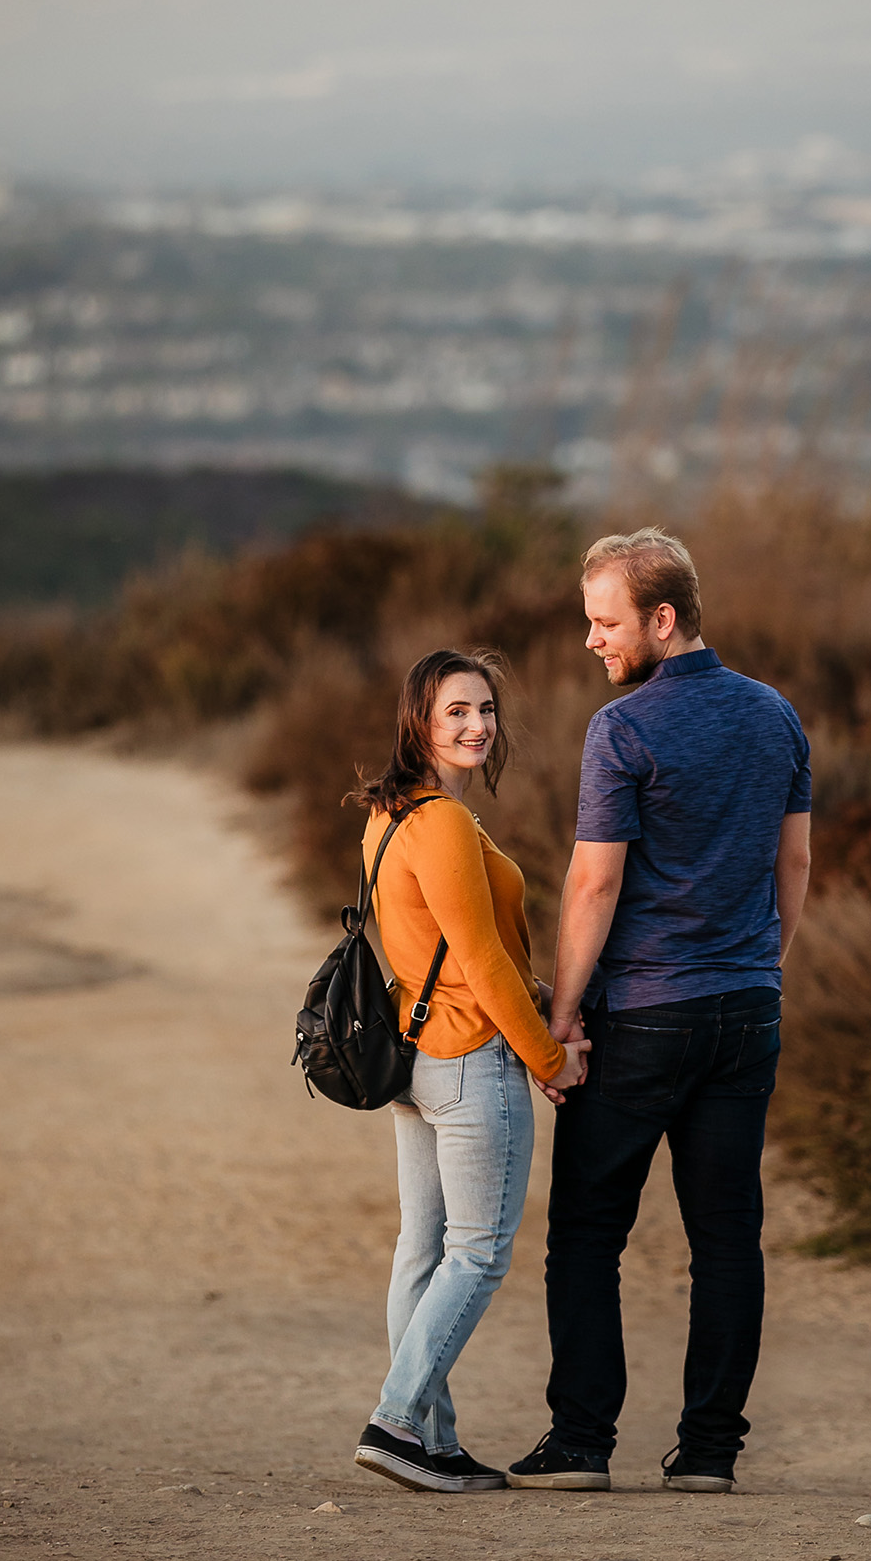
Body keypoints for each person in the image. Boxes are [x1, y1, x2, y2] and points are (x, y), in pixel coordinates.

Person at [506, 528, 812, 1496]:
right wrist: (764, 966)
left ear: (662, 619)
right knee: (727, 1238)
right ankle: (711, 1453)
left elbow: (593, 887)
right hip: (744, 1011)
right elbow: (793, 864)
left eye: (606, 623)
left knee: (588, 1233)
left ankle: (582, 1442)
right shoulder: (776, 716)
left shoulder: (624, 729)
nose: (593, 642)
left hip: (643, 1014)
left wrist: (564, 1016)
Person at [348, 649, 589, 1493]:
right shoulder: (443, 823)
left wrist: (544, 1000)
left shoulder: (392, 814)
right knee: (478, 1254)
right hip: (468, 1060)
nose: (478, 725)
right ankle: (398, 1420)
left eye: (485, 709)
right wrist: (548, 1058)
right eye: (456, 711)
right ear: (419, 719)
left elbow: (452, 949)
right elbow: (481, 960)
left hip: (417, 1064)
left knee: (423, 1251)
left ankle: (434, 1443)